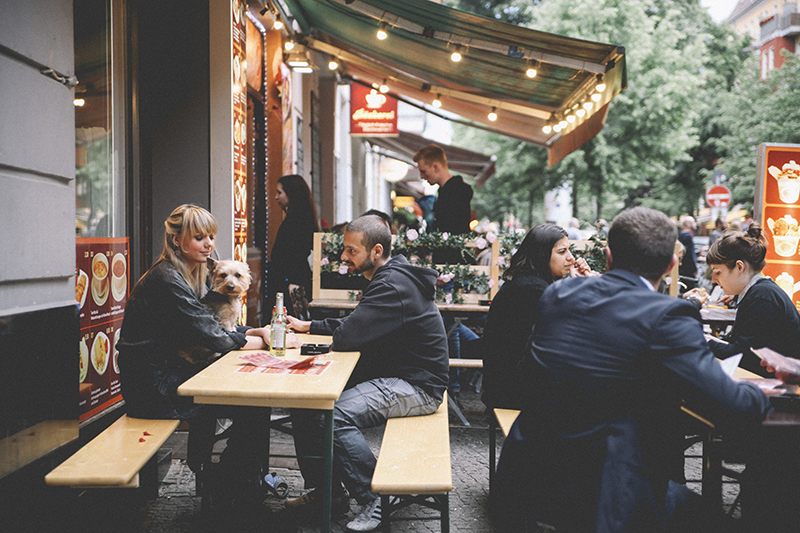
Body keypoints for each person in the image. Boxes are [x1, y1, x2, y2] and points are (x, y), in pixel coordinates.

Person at [491, 206, 771, 532]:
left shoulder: (558, 294)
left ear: (608, 257)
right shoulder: (669, 315)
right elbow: (731, 403)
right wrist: (768, 389)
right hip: (608, 490)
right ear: (670, 265)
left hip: (531, 471)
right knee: (714, 519)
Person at [117, 204, 299, 499]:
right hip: (152, 385)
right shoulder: (169, 280)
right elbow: (218, 339)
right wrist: (270, 341)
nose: (209, 244)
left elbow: (214, 328)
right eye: (199, 237)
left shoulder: (191, 274)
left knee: (253, 399)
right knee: (251, 404)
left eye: (211, 237)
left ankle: (231, 478)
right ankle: (228, 481)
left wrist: (256, 332)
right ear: (177, 240)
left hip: (173, 372)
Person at [283, 215, 448, 532]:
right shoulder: (392, 277)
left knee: (335, 415)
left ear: (375, 250)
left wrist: (319, 331)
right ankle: (327, 495)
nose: (344, 257)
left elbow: (347, 337)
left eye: (350, 251)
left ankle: (376, 498)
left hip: (418, 386)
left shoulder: (390, 285)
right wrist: (309, 327)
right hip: (403, 375)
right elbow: (360, 327)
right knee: (307, 404)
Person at [481, 223, 594, 411]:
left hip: (505, 385)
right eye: (562, 251)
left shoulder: (528, 282)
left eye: (569, 250)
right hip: (512, 392)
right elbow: (577, 331)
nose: (571, 258)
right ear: (541, 254)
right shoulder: (532, 290)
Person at [413, 143, 478, 397]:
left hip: (448, 268)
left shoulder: (453, 193)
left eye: (423, 170)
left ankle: (453, 385)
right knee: (449, 322)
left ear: (436, 166)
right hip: (448, 266)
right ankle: (459, 376)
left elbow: (451, 233)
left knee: (447, 322)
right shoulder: (453, 191)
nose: (422, 176)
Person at [705, 223, 800, 376]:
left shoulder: (761, 297)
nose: (714, 279)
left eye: (718, 272)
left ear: (739, 267)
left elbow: (743, 356)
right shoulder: (760, 292)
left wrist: (703, 342)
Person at [267, 174, 319, 319]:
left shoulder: (297, 220)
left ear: (291, 193)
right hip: (291, 280)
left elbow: (296, 253)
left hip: (290, 282)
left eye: (279, 192)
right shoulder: (302, 217)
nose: (276, 197)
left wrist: (293, 281)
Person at [678, 215, 698, 290]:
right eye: (693, 222)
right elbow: (690, 254)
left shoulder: (681, 235)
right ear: (688, 224)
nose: (695, 224)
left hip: (682, 268)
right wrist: (695, 268)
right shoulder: (688, 236)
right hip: (689, 269)